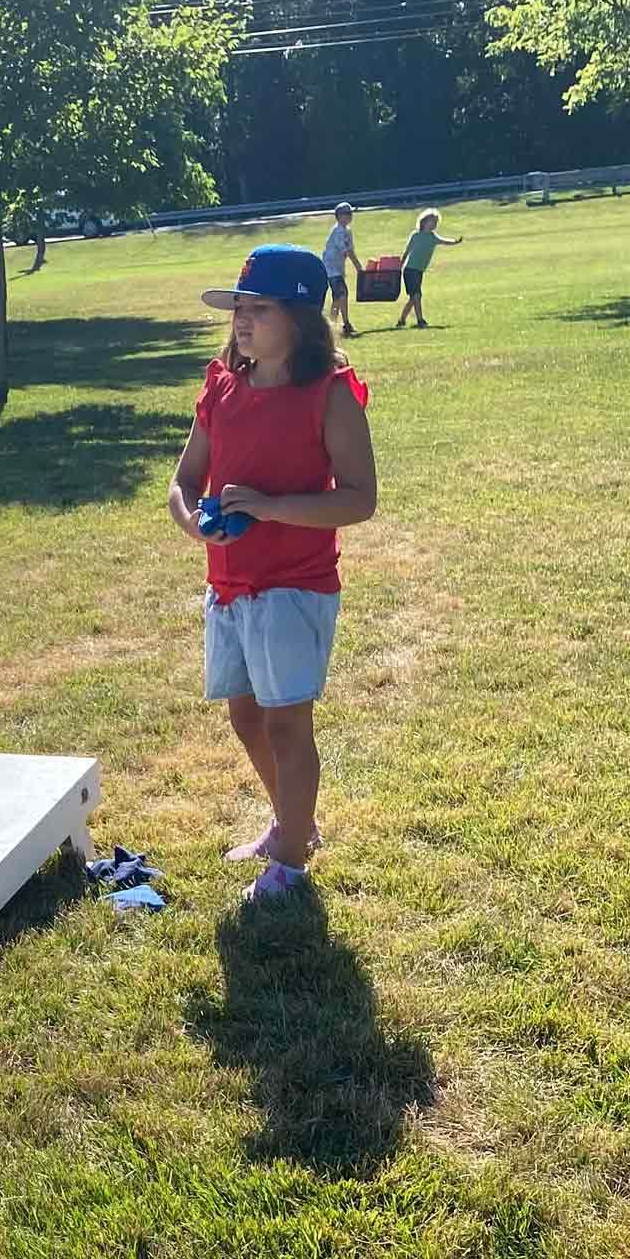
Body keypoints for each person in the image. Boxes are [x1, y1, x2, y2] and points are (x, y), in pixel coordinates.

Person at [170, 244, 377, 905]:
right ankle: (295, 823)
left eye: (259, 310)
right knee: (246, 716)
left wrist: (270, 509)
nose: (242, 322)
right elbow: (182, 480)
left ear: (299, 316)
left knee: (288, 724)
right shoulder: (221, 384)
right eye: (238, 309)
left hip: (293, 585)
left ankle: (290, 859)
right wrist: (192, 523)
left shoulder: (329, 394)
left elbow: (359, 498)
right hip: (228, 585)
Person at [397, 210, 463, 329]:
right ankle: (420, 320)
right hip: (410, 270)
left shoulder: (433, 237)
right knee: (416, 296)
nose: (434, 224)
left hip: (419, 271)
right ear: (424, 222)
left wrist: (455, 242)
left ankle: (401, 320)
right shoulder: (415, 235)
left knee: (414, 298)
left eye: (436, 222)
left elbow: (444, 242)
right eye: (432, 221)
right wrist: (399, 267)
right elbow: (407, 251)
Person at [322, 201, 362, 337]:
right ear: (338, 216)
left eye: (350, 213)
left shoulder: (347, 231)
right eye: (346, 214)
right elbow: (346, 251)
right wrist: (358, 266)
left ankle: (331, 327)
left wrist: (356, 265)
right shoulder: (338, 231)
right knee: (341, 295)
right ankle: (345, 325)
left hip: (338, 269)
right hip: (331, 269)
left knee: (339, 297)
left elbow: (350, 250)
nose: (349, 216)